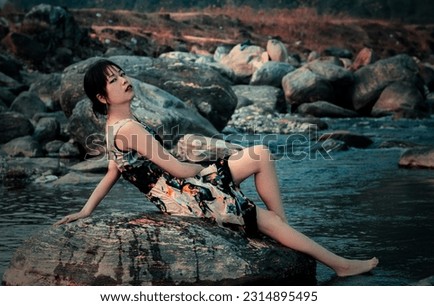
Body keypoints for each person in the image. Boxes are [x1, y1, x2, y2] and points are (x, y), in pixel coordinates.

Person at [55, 59, 378, 277]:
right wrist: (209, 165)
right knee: (257, 213)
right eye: (114, 80)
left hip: (175, 188)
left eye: (122, 74)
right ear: (102, 95)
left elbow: (113, 172)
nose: (124, 80)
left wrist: (86, 210)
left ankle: (282, 225)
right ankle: (340, 265)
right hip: (182, 194)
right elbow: (179, 171)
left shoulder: (116, 126)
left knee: (261, 153)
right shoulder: (129, 129)